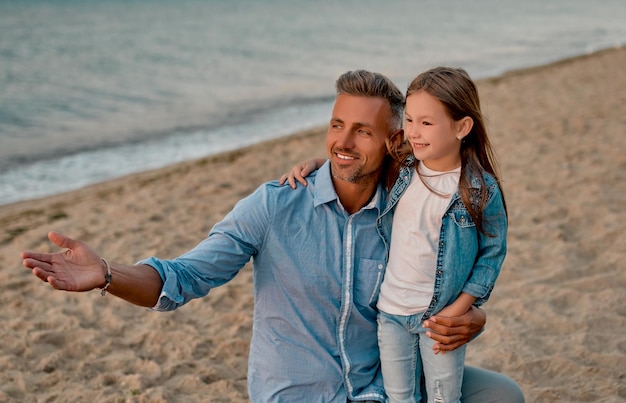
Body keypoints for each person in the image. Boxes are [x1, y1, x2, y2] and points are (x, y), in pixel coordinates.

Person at [22, 70, 523, 403]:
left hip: (381, 387)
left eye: (363, 132)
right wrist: (107, 274)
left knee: (503, 396)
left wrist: (470, 313)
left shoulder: (404, 205)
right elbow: (183, 278)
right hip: (298, 392)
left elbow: (457, 261)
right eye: (336, 125)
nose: (342, 144)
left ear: (397, 140)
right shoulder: (275, 204)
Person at [281, 67, 509, 403]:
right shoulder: (402, 169)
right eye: (411, 120)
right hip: (391, 315)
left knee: (445, 397)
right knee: (400, 398)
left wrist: (459, 309)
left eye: (427, 123)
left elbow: (492, 254)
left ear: (462, 127)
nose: (414, 132)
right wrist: (319, 163)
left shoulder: (479, 189)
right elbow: (356, 161)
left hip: (440, 317)